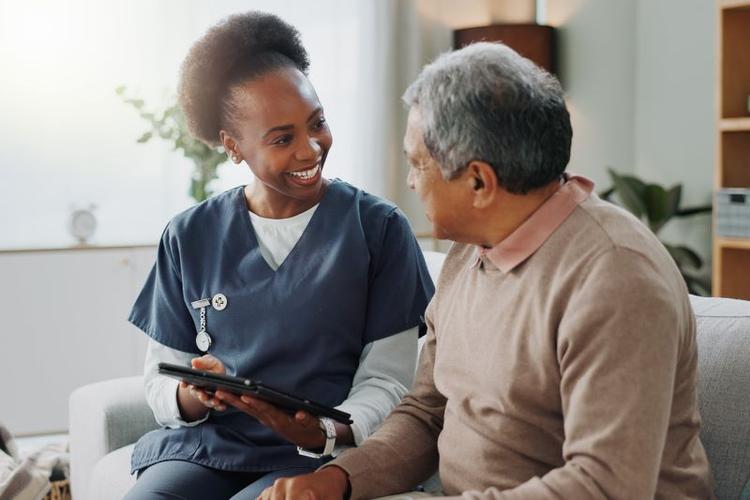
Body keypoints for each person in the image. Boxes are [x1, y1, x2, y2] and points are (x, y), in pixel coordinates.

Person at [259, 42, 714, 500]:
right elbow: (426, 413)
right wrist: (337, 481)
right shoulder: (470, 250)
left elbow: (605, 485)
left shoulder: (615, 277)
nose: (412, 182)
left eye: (418, 164)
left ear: (478, 182)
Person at [123, 11, 434, 500]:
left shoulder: (379, 230)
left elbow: (390, 383)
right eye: (282, 139)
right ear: (233, 146)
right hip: (210, 447)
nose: (311, 150)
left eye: (318, 123)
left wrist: (329, 432)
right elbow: (161, 376)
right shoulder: (189, 235)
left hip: (319, 455)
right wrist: (194, 395)